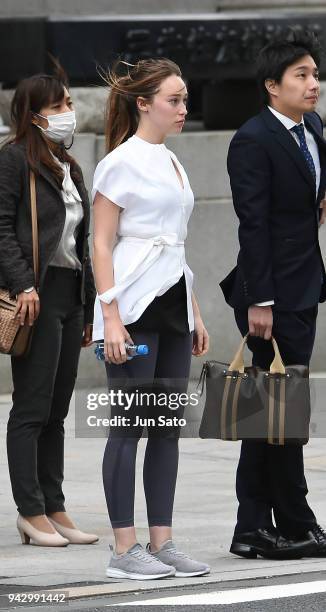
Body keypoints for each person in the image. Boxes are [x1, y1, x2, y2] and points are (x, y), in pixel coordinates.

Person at [92, 58, 210, 580]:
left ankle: (162, 544)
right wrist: (111, 318)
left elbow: (176, 245)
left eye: (185, 99)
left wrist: (196, 310)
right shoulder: (119, 162)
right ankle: (125, 549)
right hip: (133, 308)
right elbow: (100, 244)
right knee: (129, 427)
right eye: (174, 100)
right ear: (144, 103)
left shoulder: (173, 162)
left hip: (173, 307)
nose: (184, 109)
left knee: (166, 429)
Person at [220, 29, 326, 559]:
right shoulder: (253, 139)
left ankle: (280, 523)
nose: (314, 84)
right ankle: (269, 524)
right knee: (271, 414)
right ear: (271, 85)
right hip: (270, 296)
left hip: (303, 286)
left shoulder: (312, 128)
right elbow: (252, 225)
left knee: (282, 412)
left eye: (314, 74)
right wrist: (260, 299)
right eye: (302, 76)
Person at [0, 69, 98, 546]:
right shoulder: (14, 159)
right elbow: (0, 228)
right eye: (57, 106)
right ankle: (29, 511)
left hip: (69, 294)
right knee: (32, 407)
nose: (67, 114)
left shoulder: (68, 165)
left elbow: (83, 243)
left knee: (58, 409)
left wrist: (89, 304)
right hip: (35, 298)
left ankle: (54, 506)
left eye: (68, 104)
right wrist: (22, 286)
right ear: (32, 114)